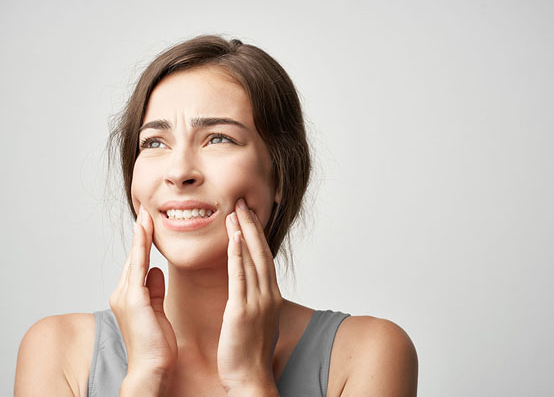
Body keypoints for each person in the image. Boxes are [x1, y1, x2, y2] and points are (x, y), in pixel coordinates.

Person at [14, 35, 418, 396]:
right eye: (154, 142)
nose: (178, 171)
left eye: (218, 138)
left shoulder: (369, 353)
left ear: (279, 175)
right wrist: (144, 378)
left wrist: (250, 382)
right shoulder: (58, 350)